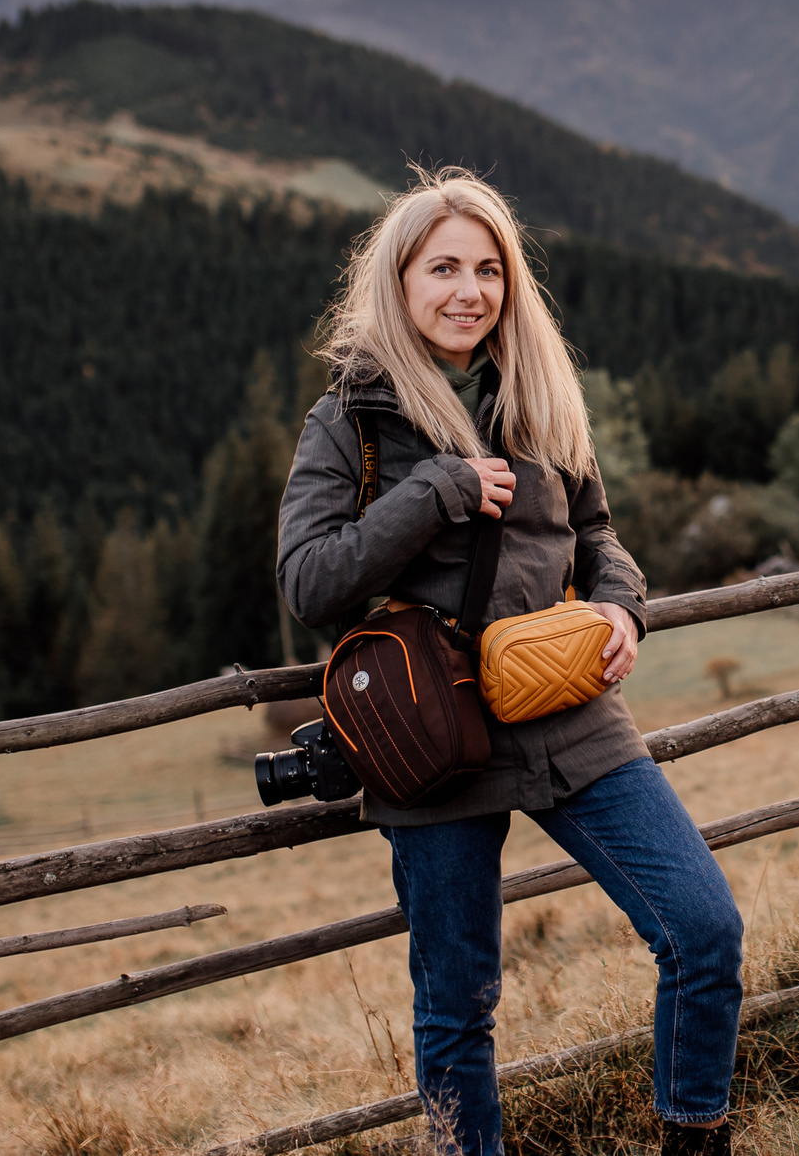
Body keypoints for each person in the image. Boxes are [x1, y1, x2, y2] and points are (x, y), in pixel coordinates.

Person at [276, 169, 744, 1156]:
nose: (468, 290)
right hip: (430, 735)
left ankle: (695, 1137)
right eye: (443, 266)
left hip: (568, 710)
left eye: (487, 268)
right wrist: (434, 490)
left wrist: (622, 603)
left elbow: (596, 529)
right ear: (399, 283)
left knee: (702, 928)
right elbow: (309, 581)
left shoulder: (536, 391)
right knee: (457, 1005)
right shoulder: (350, 421)